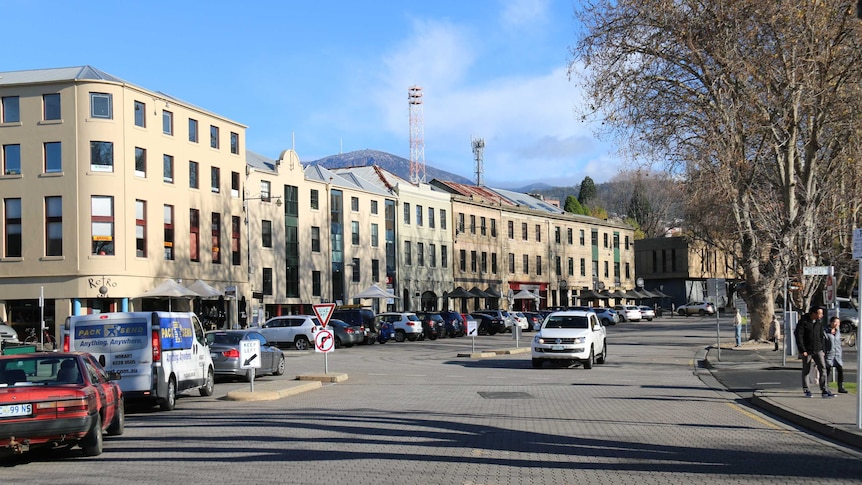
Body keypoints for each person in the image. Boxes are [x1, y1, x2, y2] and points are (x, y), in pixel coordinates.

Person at [794, 306, 834, 398]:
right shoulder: (803, 322)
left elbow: (821, 336)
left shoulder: (819, 323)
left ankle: (824, 389)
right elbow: (798, 336)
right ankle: (807, 389)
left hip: (818, 349)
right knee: (806, 370)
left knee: (823, 368)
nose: (821, 315)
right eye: (819, 313)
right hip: (807, 350)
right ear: (813, 313)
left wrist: (822, 349)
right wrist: (802, 350)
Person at [824, 316, 847, 393]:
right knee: (827, 370)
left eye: (838, 322)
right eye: (835, 322)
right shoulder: (825, 331)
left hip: (837, 354)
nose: (837, 324)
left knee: (840, 369)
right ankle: (825, 387)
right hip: (829, 354)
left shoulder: (838, 331)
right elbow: (823, 342)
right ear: (831, 322)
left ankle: (841, 387)